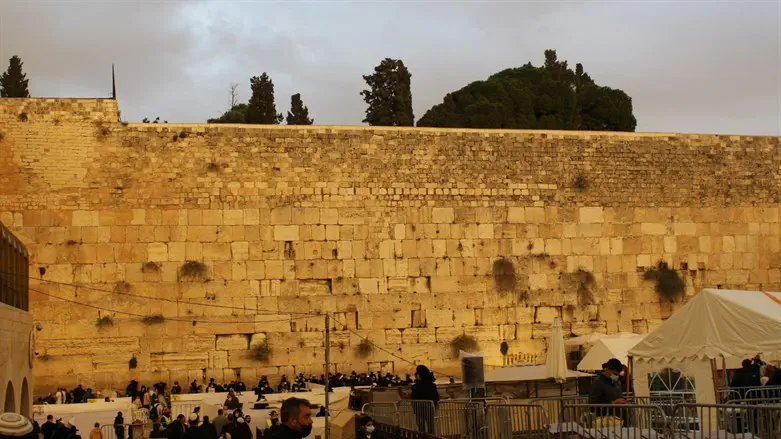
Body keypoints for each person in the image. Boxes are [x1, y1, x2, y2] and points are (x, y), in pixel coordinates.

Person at [411, 365, 439, 434]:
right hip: (430, 409)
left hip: (420, 411)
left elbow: (413, 399)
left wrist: (415, 409)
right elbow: (436, 398)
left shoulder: (415, 387)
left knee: (421, 429)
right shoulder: (432, 385)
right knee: (431, 428)